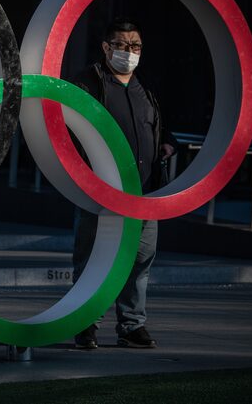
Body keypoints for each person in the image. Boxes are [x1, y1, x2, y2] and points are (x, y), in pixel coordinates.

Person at [70, 18, 177, 350]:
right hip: (102, 190)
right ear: (106, 47)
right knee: (93, 258)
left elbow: (157, 127)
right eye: (121, 45)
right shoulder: (90, 83)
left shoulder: (145, 88)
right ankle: (86, 322)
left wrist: (166, 143)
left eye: (135, 46)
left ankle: (132, 325)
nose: (129, 52)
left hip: (145, 193)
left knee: (140, 260)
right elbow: (68, 126)